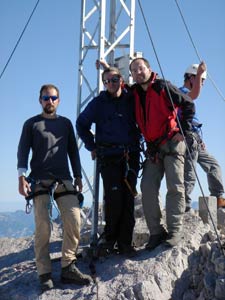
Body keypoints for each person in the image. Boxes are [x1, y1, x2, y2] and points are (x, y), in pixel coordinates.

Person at [17, 84, 92, 292]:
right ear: (40, 100)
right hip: (39, 180)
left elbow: (72, 153)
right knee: (43, 227)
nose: (49, 101)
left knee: (74, 219)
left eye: (53, 97)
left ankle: (68, 265)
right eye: (45, 98)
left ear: (58, 100)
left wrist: (77, 175)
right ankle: (44, 273)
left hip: (64, 179)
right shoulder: (31, 124)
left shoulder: (66, 124)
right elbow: (22, 151)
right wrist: (21, 176)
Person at [129, 57, 195, 249]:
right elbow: (117, 85)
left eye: (141, 68)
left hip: (172, 143)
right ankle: (156, 233)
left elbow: (188, 104)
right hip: (154, 148)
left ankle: (175, 231)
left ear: (149, 69)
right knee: (148, 187)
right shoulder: (133, 92)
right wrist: (107, 68)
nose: (138, 72)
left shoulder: (162, 86)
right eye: (134, 70)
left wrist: (183, 131)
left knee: (175, 186)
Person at [76, 67, 140, 257]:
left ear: (121, 79)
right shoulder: (99, 103)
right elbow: (81, 124)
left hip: (130, 155)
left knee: (128, 199)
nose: (112, 83)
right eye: (108, 80)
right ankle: (110, 240)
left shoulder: (131, 99)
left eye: (115, 79)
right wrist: (92, 146)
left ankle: (125, 243)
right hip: (109, 156)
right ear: (104, 83)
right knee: (114, 199)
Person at [180, 62, 225, 212]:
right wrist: (200, 73)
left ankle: (219, 198)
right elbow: (193, 96)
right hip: (188, 139)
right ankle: (184, 204)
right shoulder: (181, 92)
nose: (202, 84)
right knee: (189, 173)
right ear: (191, 77)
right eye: (201, 80)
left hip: (196, 139)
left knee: (213, 165)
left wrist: (200, 139)